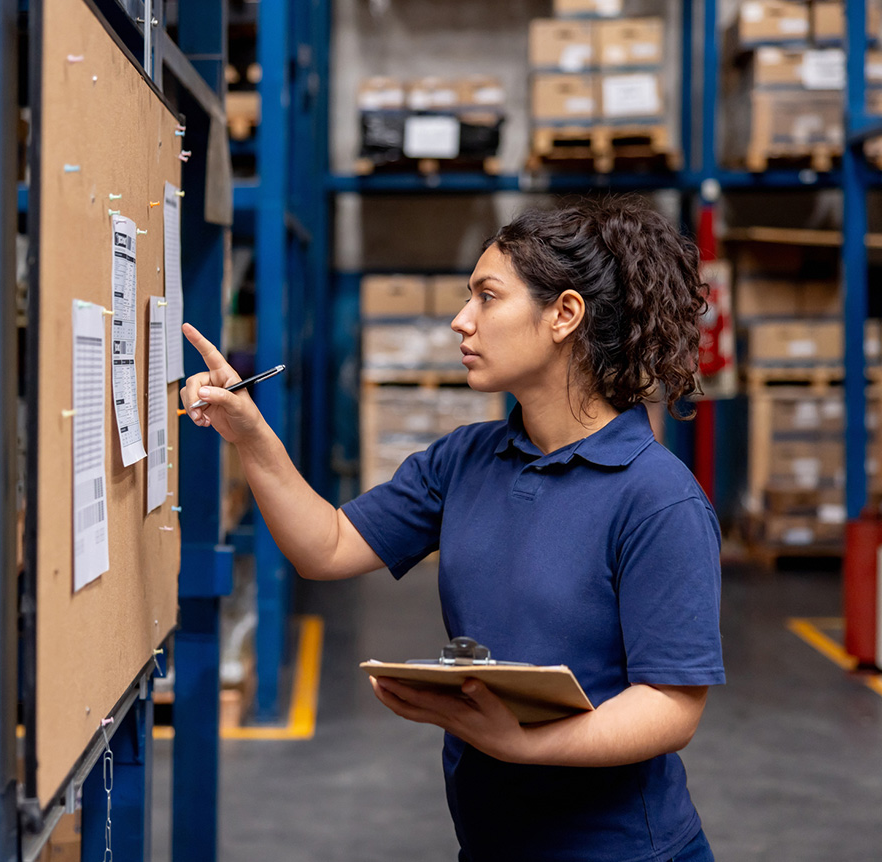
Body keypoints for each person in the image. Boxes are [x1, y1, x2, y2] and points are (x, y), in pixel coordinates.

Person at [180, 196, 724, 862]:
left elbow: (671, 707)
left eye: (486, 298)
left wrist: (525, 744)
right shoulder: (467, 459)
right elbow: (325, 547)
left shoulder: (656, 498)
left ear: (565, 315)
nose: (460, 321)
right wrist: (250, 434)